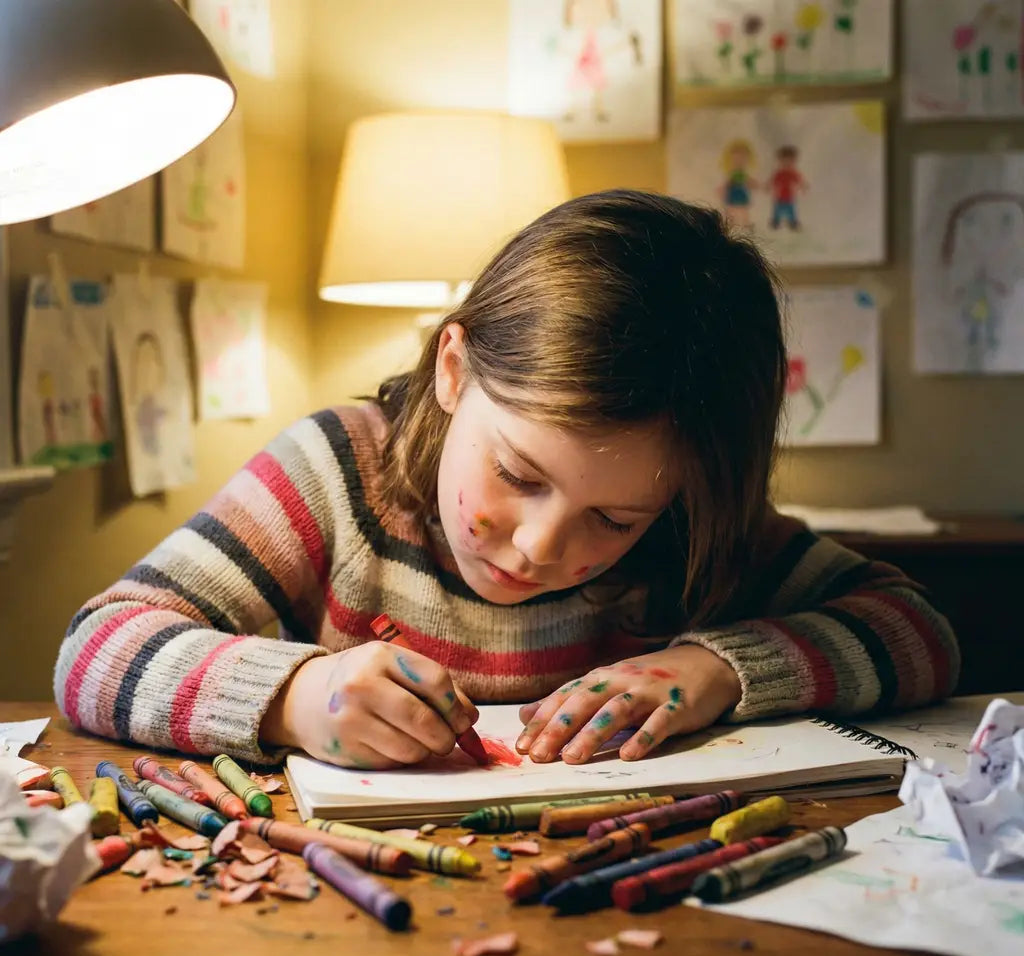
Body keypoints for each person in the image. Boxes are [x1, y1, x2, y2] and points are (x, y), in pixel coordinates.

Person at [54, 190, 958, 770]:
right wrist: (292, 699)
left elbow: (919, 631)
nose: (541, 546)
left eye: (614, 517)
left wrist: (714, 670)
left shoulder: (695, 524)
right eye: (517, 473)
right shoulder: (336, 472)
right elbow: (95, 650)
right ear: (454, 368)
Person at [768, 144, 807, 230]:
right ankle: (776, 221)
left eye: (790, 161)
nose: (787, 163)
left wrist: (803, 187)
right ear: (780, 161)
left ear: (793, 161)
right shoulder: (779, 173)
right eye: (784, 161)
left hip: (790, 197)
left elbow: (800, 181)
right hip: (779, 197)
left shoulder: (793, 173)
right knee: (777, 210)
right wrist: (768, 187)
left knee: (791, 211)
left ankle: (793, 222)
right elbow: (772, 181)